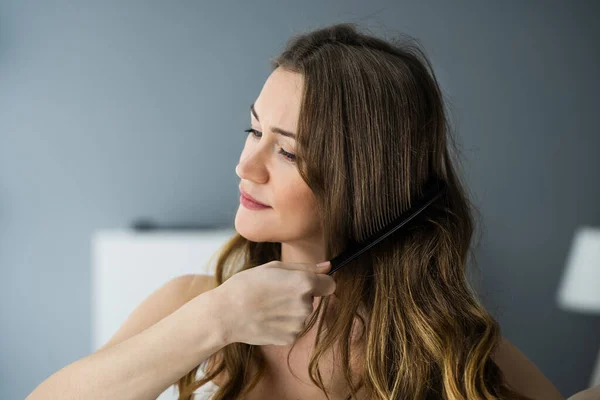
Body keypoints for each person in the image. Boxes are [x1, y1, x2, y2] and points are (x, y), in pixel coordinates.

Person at [27, 23, 567, 400]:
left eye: (286, 151)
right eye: (253, 131)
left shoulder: (446, 343)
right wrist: (217, 319)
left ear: (366, 180)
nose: (246, 166)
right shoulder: (192, 304)